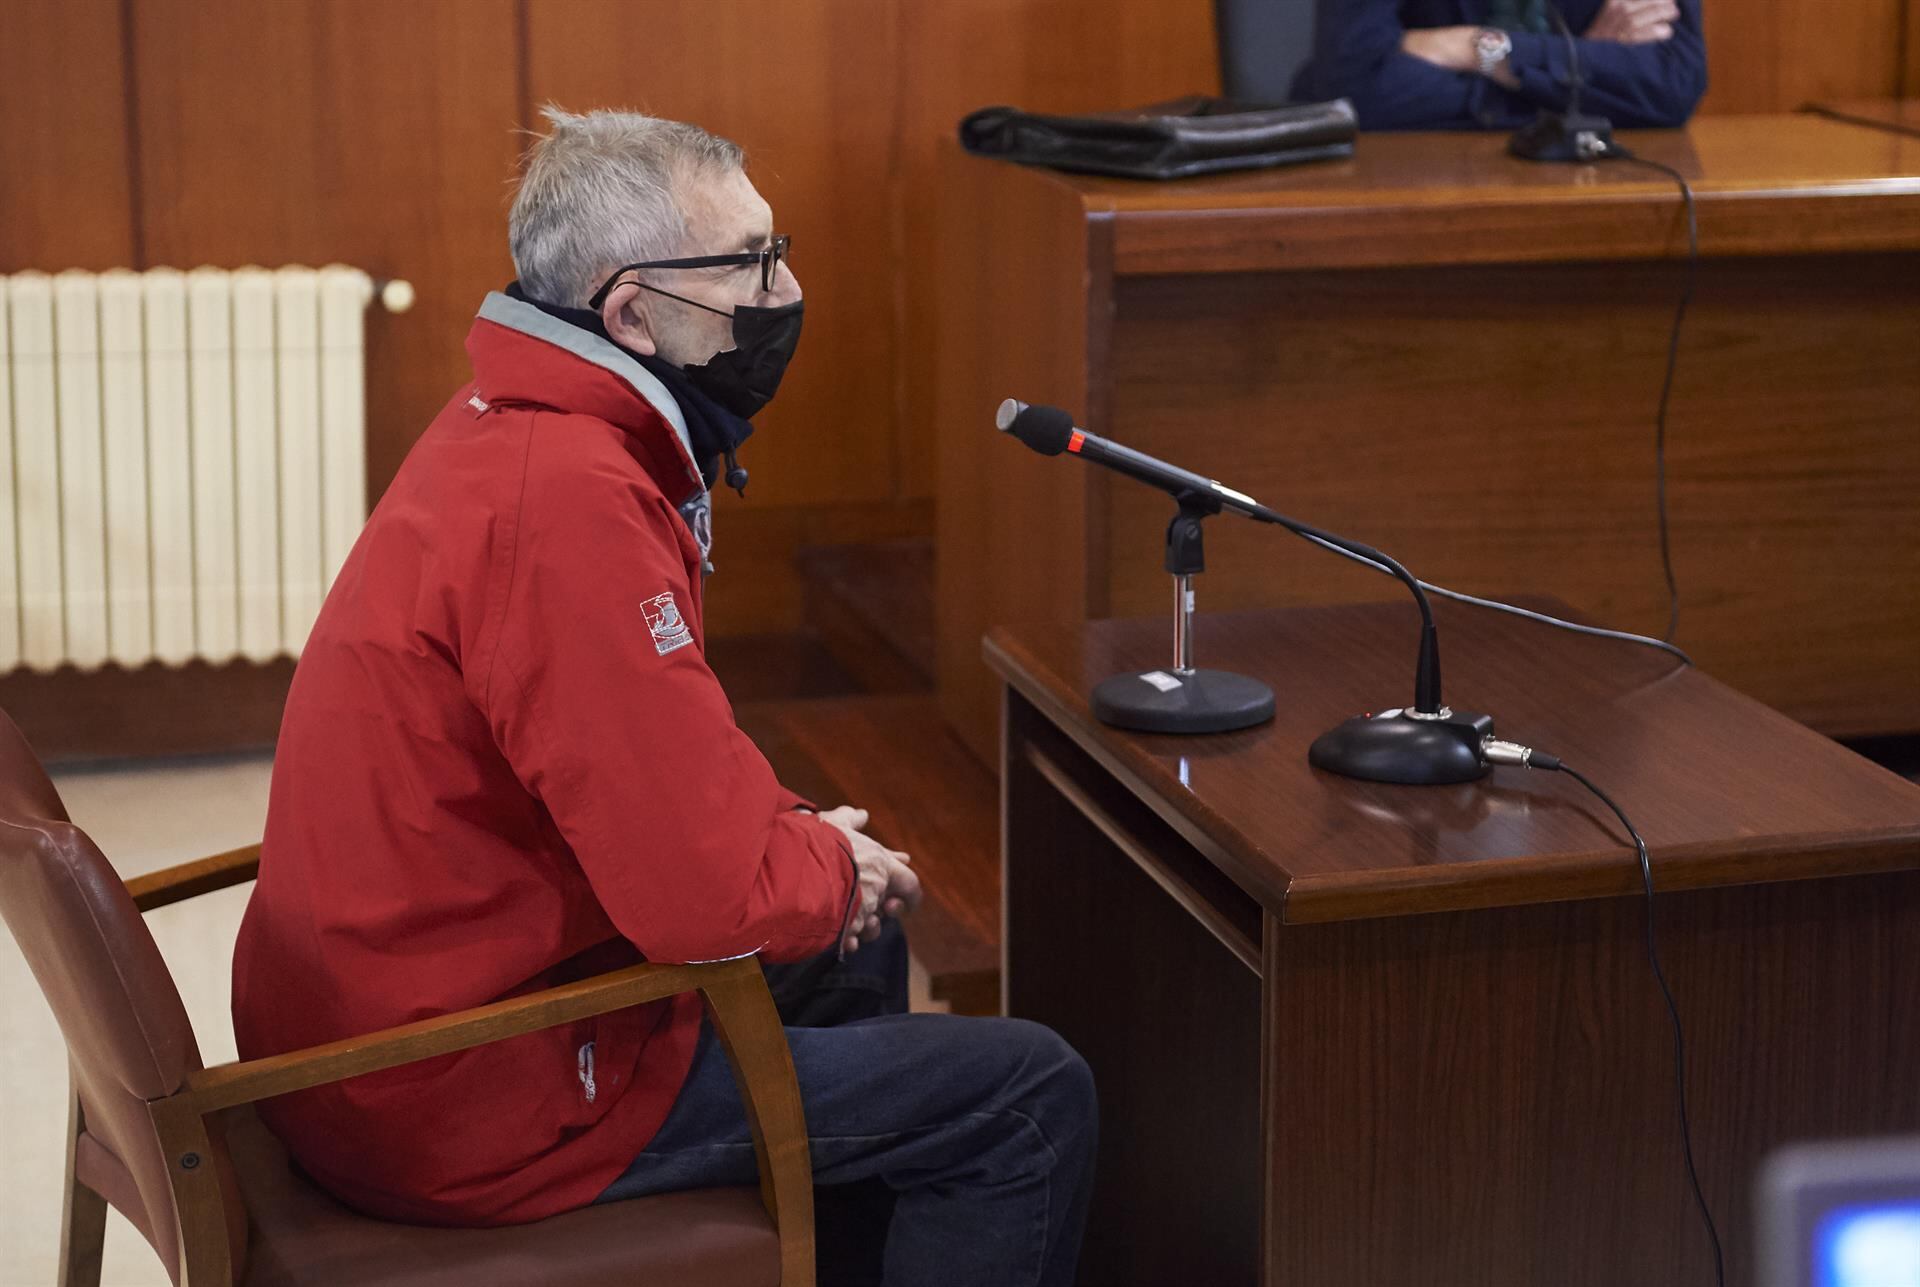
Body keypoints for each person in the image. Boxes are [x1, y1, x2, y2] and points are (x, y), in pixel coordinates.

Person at [231, 107, 1096, 1287]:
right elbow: (701, 905)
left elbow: (657, 746)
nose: (785, 289)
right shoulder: (570, 499)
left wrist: (795, 841)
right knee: (1028, 1098)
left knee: (855, 943)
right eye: (751, 265)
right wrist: (819, 866)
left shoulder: (529, 424)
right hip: (459, 1086)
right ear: (631, 310)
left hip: (407, 1015)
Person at [1293, 0, 1708, 131]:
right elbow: (1353, 86)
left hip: (1590, 184)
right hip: (1414, 182)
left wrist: (1475, 48)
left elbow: (1673, 81)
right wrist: (1576, 73)